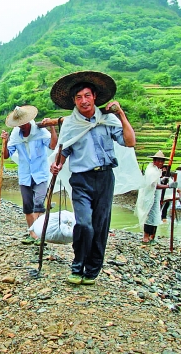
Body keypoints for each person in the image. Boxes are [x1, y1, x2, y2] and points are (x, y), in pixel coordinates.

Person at [49, 71, 136, 285]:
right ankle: (77, 266)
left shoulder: (107, 120)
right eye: (79, 97)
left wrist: (121, 115)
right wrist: (57, 164)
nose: (83, 101)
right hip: (81, 180)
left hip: (105, 178)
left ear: (94, 96)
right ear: (74, 101)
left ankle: (92, 270)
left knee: (100, 226)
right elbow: (64, 151)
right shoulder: (70, 124)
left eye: (87, 95)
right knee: (84, 224)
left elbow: (130, 141)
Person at [0, 105, 57, 244]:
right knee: (27, 205)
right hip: (25, 174)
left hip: (40, 173)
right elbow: (7, 155)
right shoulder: (15, 134)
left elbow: (53, 145)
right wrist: (5, 142)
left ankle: (39, 233)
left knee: (39, 203)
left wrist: (52, 128)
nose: (22, 126)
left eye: (24, 123)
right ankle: (31, 233)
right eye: (19, 124)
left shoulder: (39, 130)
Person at [136, 151, 177, 244]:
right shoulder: (152, 171)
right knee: (149, 217)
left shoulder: (155, 170)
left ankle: (151, 236)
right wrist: (168, 186)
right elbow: (154, 185)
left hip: (154, 197)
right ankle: (146, 237)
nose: (161, 163)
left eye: (162, 161)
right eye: (159, 161)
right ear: (154, 161)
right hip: (149, 197)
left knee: (154, 217)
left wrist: (163, 180)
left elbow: (155, 182)